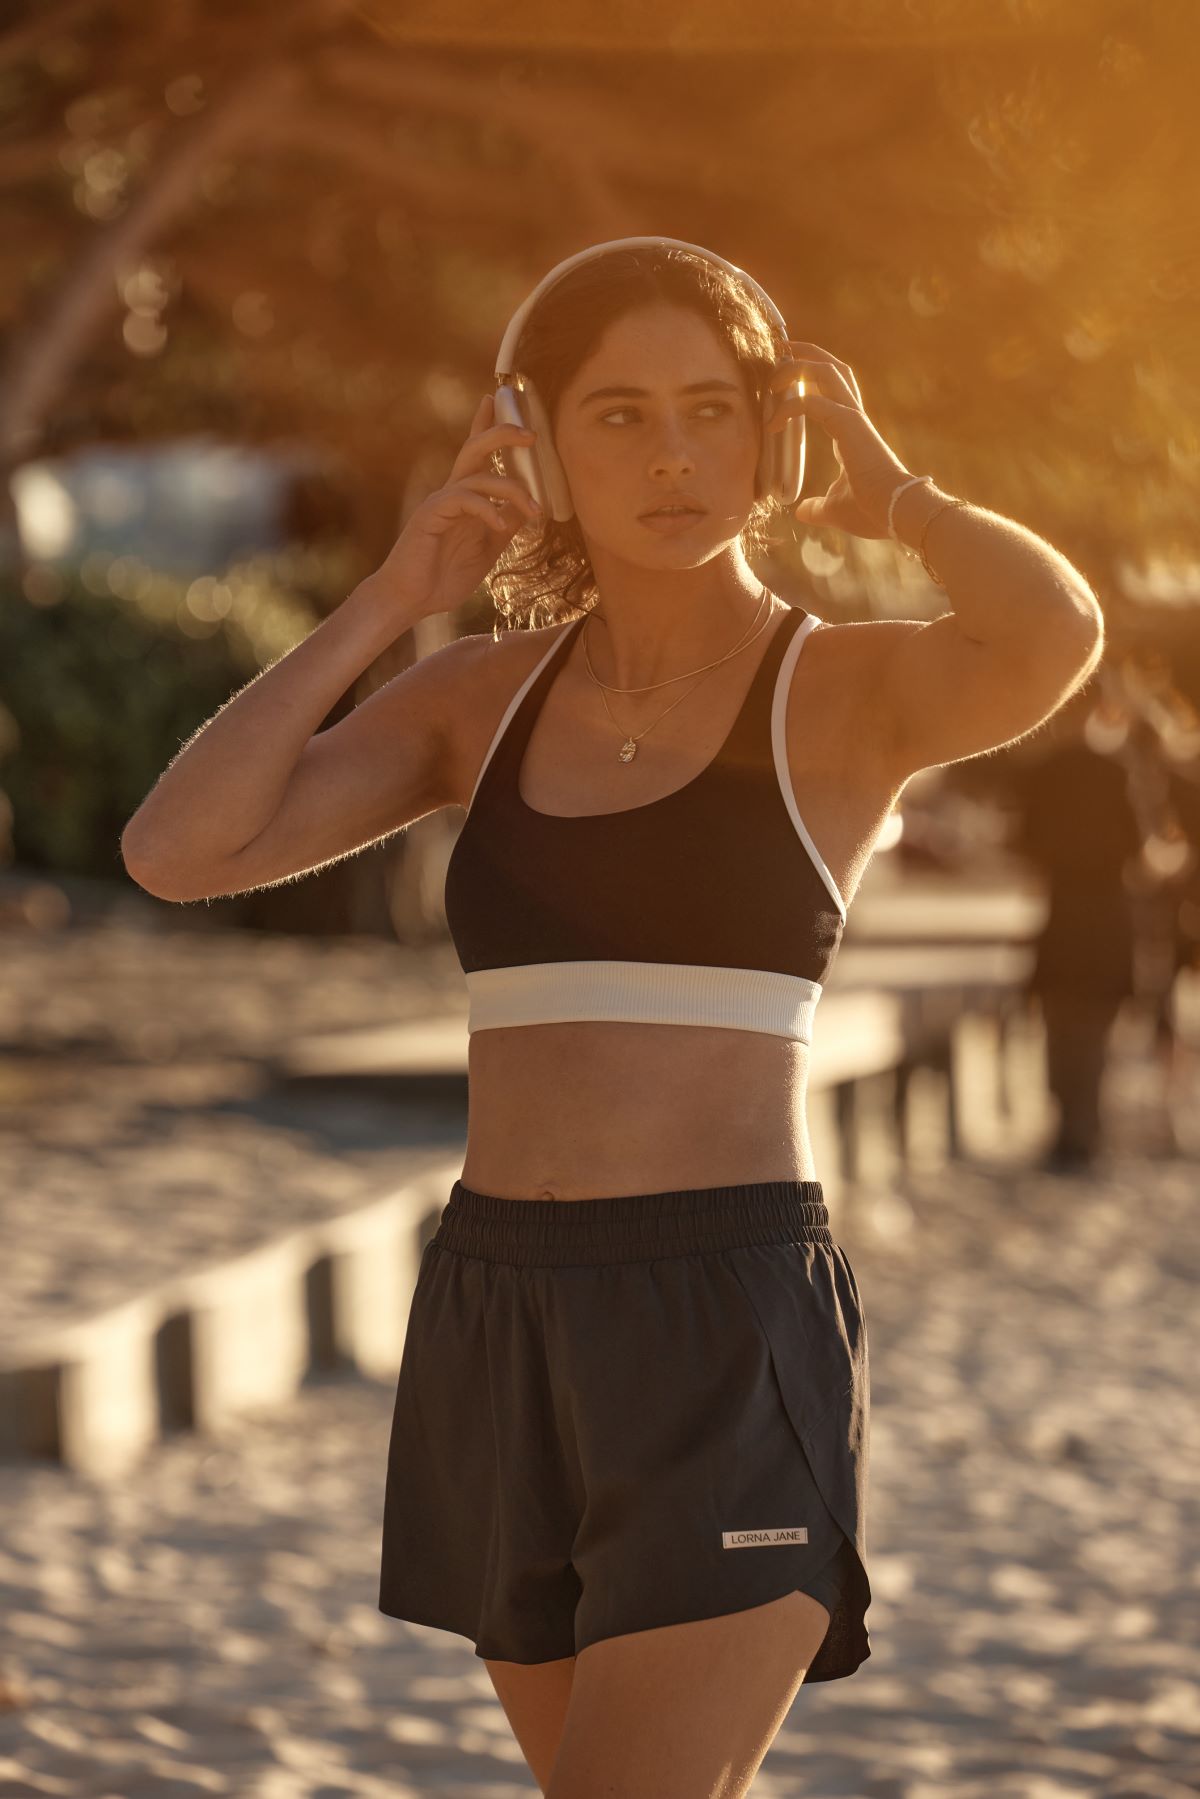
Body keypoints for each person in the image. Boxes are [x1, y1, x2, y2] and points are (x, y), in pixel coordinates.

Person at [120, 238, 1104, 1797]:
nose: (675, 456)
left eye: (715, 412)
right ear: (542, 446)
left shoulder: (838, 695)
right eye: (622, 416)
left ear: (772, 437)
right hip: (498, 1312)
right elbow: (181, 852)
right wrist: (395, 593)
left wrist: (893, 493)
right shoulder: (475, 704)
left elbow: (1052, 636)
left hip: (724, 1319)